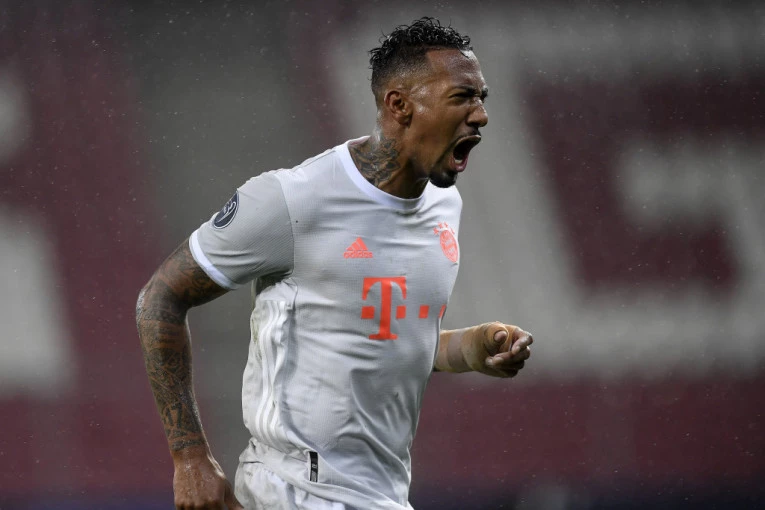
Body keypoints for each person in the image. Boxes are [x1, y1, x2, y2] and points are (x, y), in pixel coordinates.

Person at [136, 17, 533, 510]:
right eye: (462, 97)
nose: (482, 116)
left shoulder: (443, 206)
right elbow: (160, 298)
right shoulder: (292, 201)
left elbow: (386, 337)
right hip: (294, 491)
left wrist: (475, 348)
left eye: (482, 98)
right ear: (400, 105)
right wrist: (190, 457)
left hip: (382, 496)